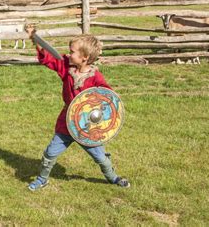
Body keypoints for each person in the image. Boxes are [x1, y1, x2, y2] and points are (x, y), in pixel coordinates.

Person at [25, 25, 130, 191]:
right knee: (50, 153)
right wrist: (35, 39)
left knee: (101, 158)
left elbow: (107, 96)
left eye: (72, 51)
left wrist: (110, 103)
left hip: (88, 128)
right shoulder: (67, 68)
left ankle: (113, 177)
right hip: (66, 123)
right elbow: (48, 58)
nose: (69, 54)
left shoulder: (95, 76)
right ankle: (42, 179)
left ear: (85, 58)